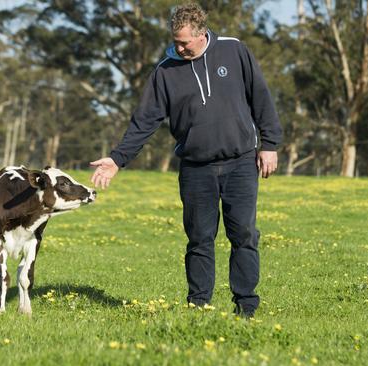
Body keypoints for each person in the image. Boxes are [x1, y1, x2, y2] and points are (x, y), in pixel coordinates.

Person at [90, 2, 282, 318]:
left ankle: (246, 305)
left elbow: (260, 96)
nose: (178, 48)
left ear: (201, 34)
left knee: (244, 234)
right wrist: (117, 159)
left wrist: (270, 143)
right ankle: (198, 305)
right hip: (196, 168)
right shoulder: (166, 70)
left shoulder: (234, 51)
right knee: (199, 239)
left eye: (184, 42)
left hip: (241, 162)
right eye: (175, 41)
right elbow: (144, 120)